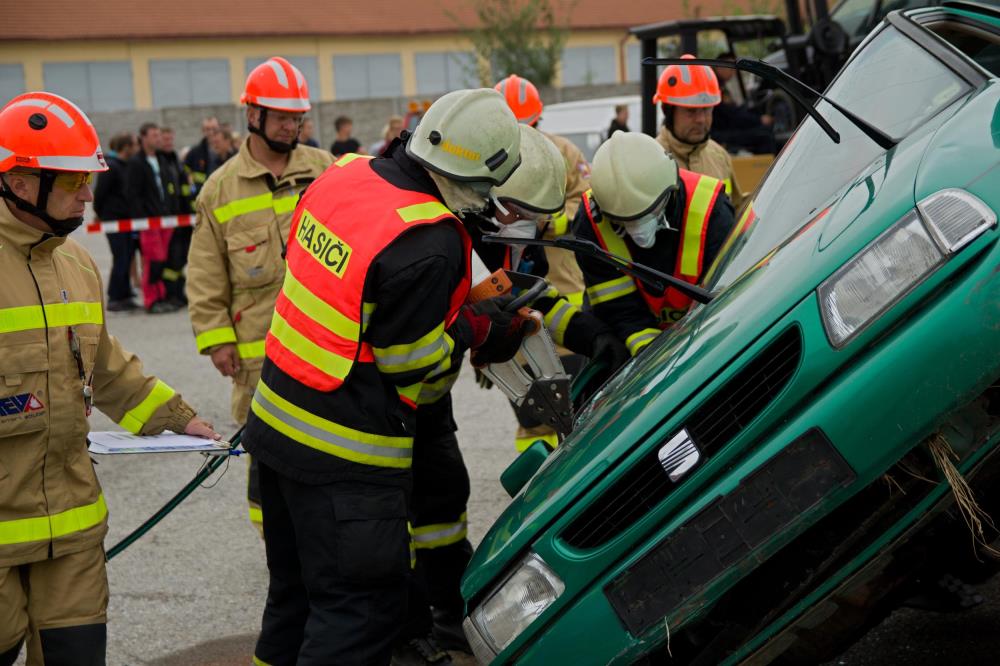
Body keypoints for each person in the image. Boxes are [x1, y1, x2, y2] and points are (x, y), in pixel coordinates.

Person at [241, 88, 527, 666]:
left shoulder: (346, 174)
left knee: (292, 602)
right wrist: (474, 331)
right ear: (478, 178)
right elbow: (412, 371)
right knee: (357, 613)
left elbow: (350, 300)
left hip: (274, 430)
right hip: (346, 460)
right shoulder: (434, 239)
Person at [0, 91, 219, 666]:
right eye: (73, 183)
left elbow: (105, 363)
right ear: (22, 183)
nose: (89, 196)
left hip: (72, 536)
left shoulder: (76, 265)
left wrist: (181, 420)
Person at [396, 124, 628, 665]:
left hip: (429, 394)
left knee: (443, 497)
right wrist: (479, 331)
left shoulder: (509, 236)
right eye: (527, 213)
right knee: (387, 517)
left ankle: (448, 615)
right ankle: (403, 628)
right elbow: (444, 318)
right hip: (387, 399)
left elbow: (526, 298)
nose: (535, 228)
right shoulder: (447, 235)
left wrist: (590, 334)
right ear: (495, 199)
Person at [186, 57, 334, 534]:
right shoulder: (220, 189)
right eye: (282, 117)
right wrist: (215, 338)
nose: (292, 127)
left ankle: (325, 531)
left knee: (330, 438)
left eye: (297, 118)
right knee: (266, 450)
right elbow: (206, 272)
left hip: (328, 337)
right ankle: (277, 541)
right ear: (253, 117)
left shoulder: (326, 169)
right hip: (258, 350)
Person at [495, 73, 592, 450]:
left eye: (529, 126)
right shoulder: (489, 159)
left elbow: (586, 202)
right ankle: (533, 486)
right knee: (529, 412)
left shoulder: (563, 153)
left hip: (563, 289)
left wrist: (548, 221)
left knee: (573, 403)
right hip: (508, 296)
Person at [575, 131, 736, 355]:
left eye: (647, 213)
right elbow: (617, 308)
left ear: (670, 191)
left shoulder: (712, 211)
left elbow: (728, 299)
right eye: (624, 221)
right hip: (627, 341)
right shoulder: (591, 220)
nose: (637, 229)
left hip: (706, 339)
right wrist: (651, 357)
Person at [654, 54, 745, 208]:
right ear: (668, 111)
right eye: (691, 111)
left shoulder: (719, 156)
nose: (701, 119)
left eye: (706, 110)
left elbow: (736, 211)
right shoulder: (651, 161)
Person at [126, 122, 177, 313]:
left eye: (158, 135)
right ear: (144, 137)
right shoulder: (136, 163)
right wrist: (142, 217)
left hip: (165, 218)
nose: (158, 139)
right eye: (154, 135)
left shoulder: (162, 159)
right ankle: (151, 299)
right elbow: (132, 193)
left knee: (162, 259)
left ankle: (161, 296)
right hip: (148, 221)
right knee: (152, 260)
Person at [94, 132, 139, 312]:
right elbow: (100, 194)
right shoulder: (111, 167)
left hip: (126, 220)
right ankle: (115, 297)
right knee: (120, 256)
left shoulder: (125, 166)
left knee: (127, 256)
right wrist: (100, 214)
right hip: (114, 220)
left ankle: (125, 293)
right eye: (134, 145)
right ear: (126, 147)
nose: (136, 148)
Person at [710, 52, 777, 155]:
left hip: (724, 128)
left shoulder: (719, 84)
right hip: (720, 133)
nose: (733, 73)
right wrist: (759, 119)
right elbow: (732, 114)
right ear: (719, 67)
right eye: (730, 68)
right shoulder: (715, 86)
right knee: (765, 136)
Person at [158, 126, 194, 308]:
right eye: (165, 139)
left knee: (180, 259)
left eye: (170, 139)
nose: (168, 142)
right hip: (169, 219)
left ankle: (179, 294)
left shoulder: (175, 161)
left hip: (182, 219)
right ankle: (171, 294)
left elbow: (184, 189)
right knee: (171, 260)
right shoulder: (160, 161)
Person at [184, 116, 225, 195]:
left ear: (220, 129)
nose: (211, 132)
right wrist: (192, 188)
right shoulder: (194, 153)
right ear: (202, 131)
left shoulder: (227, 150)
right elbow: (186, 171)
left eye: (214, 129)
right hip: (203, 196)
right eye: (207, 129)